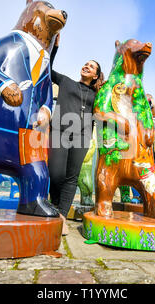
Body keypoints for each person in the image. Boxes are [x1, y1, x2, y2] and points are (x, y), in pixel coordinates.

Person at [48, 35, 104, 235]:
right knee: (55, 174)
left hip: (82, 136)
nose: (86, 66)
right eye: (85, 64)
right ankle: (54, 208)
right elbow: (47, 69)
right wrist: (55, 47)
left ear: (96, 75)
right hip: (59, 131)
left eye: (92, 66)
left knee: (71, 177)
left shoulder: (98, 95)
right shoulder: (66, 81)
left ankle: (61, 216)